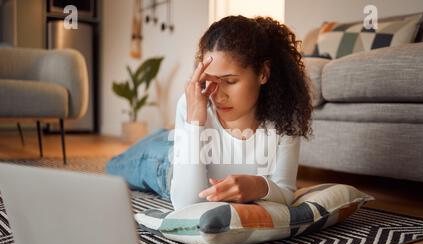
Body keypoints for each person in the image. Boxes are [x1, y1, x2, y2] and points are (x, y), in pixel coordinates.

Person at [106, 15, 312, 210]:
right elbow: (187, 205)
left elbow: (285, 193)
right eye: (210, 80)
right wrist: (194, 122)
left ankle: (172, 135)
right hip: (166, 167)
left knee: (171, 139)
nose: (218, 95)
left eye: (230, 81)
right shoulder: (192, 105)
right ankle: (172, 136)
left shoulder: (285, 117)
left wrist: (259, 186)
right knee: (112, 168)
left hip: (183, 146)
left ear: (263, 73)